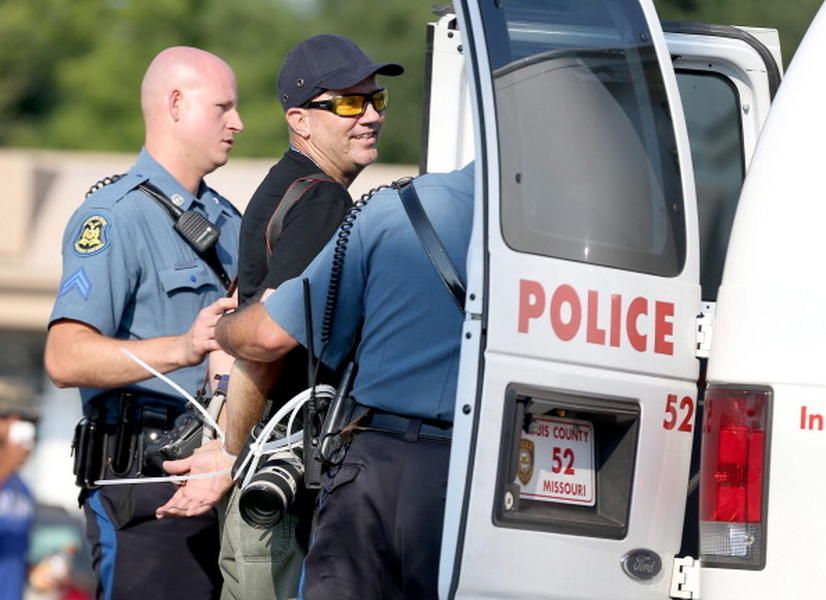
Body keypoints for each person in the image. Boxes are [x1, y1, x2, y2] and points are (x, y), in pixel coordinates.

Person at [155, 34, 403, 600]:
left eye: (376, 100)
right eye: (347, 103)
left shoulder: (287, 185)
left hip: (268, 464)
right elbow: (268, 339)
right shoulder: (321, 203)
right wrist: (229, 450)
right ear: (301, 119)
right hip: (279, 475)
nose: (369, 116)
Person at [215, 162, 474, 599]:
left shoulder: (395, 207)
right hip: (472, 474)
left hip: (373, 467)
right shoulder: (573, 233)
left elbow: (266, 337)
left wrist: (224, 328)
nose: (370, 116)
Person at [43, 46, 243, 599]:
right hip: (143, 490)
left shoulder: (230, 222)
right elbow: (65, 357)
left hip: (218, 481)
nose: (239, 123)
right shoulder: (114, 216)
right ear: (175, 104)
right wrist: (183, 346)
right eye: (223, 107)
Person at [0, 382, 38, 600]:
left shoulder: (22, 489)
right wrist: (6, 466)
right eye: (8, 417)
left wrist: (36, 573)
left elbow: (16, 557)